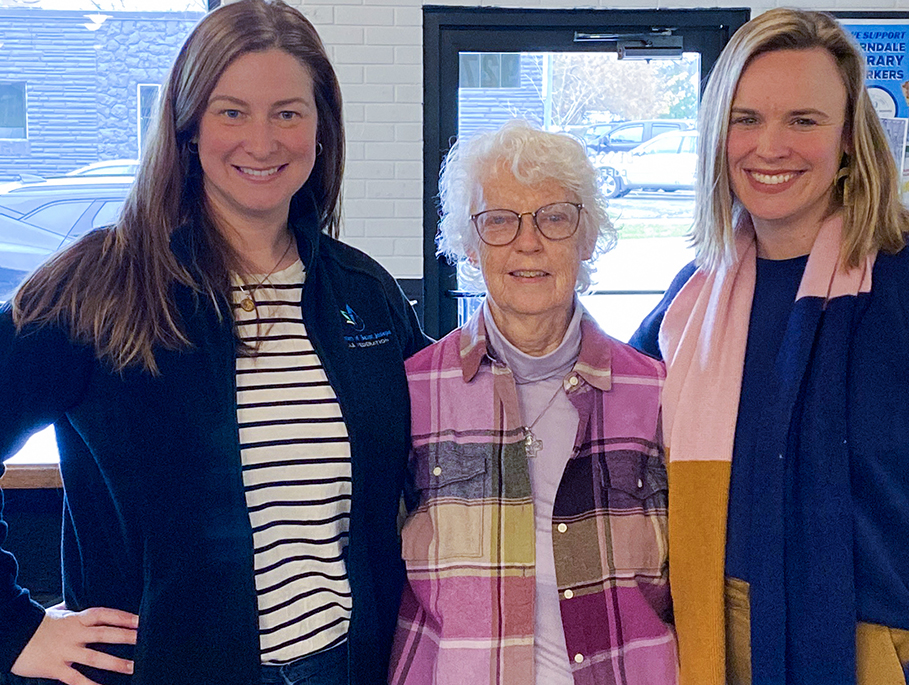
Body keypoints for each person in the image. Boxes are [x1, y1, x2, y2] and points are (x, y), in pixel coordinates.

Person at [0, 1, 426, 683]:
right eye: (232, 111)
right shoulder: (100, 287)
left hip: (346, 667)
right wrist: (13, 628)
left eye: (288, 112)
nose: (262, 141)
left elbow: (451, 433)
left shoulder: (363, 294)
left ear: (321, 130)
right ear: (189, 127)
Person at [630, 8, 909, 685]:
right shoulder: (690, 300)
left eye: (804, 120)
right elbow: (610, 433)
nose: (770, 146)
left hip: (890, 652)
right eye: (746, 119)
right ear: (717, 137)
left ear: (851, 140)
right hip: (713, 642)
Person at [389, 120, 678, 685]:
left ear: (586, 236)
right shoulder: (412, 392)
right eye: (498, 220)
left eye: (554, 217)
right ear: (469, 247)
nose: (528, 241)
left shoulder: (656, 394)